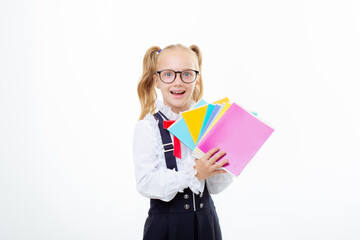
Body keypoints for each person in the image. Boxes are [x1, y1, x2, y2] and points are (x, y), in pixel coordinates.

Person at [133, 44, 234, 240]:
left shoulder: (209, 124)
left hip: (207, 223)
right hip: (166, 227)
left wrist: (227, 160)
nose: (178, 82)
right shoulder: (147, 128)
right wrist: (194, 173)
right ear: (157, 81)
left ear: (196, 80)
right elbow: (146, 183)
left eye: (187, 74)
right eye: (169, 74)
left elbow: (215, 187)